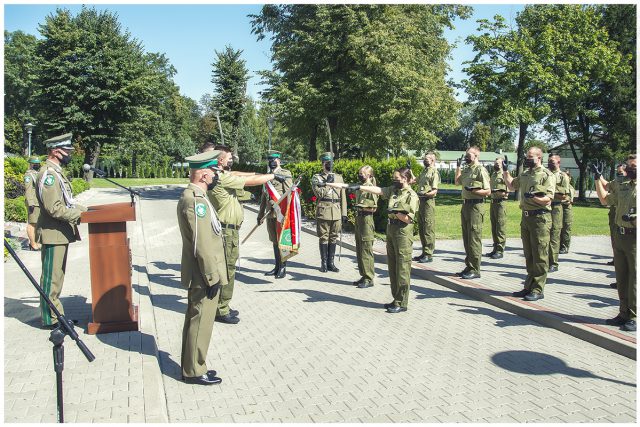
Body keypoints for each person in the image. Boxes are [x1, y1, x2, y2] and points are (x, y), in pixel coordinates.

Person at [203, 145, 288, 324]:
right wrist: (272, 176)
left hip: (227, 230)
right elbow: (248, 181)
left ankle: (222, 305)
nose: (231, 160)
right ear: (220, 160)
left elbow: (240, 174)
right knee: (227, 270)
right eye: (229, 158)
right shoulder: (221, 178)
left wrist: (259, 174)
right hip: (227, 231)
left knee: (227, 268)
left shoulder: (218, 174)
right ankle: (221, 309)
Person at [326, 167, 419, 313]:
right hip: (392, 230)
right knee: (392, 267)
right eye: (394, 178)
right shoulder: (394, 190)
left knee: (402, 268)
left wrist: (395, 212)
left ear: (405, 179)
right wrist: (358, 187)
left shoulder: (411, 195)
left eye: (397, 178)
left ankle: (402, 302)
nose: (394, 181)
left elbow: (408, 219)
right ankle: (396, 298)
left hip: (403, 231)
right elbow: (378, 190)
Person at [177, 150, 225, 385]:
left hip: (202, 269)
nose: (217, 175)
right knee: (201, 319)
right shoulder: (196, 201)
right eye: (214, 172)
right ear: (204, 175)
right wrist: (211, 275)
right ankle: (194, 370)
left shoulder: (196, 197)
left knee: (197, 317)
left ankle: (192, 365)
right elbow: (203, 244)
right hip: (204, 271)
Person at [36, 133, 87, 329]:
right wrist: (78, 216)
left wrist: (86, 211)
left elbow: (68, 201)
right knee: (51, 278)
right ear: (56, 151)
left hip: (59, 233)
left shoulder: (56, 171)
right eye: (67, 151)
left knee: (57, 277)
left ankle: (57, 314)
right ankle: (50, 319)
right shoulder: (48, 174)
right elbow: (54, 208)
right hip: (52, 233)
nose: (69, 154)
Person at [502, 147, 555, 301]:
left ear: (539, 158)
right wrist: (505, 171)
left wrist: (533, 198)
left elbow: (548, 199)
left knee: (540, 255)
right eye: (526, 156)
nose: (527, 159)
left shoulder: (546, 175)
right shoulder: (525, 174)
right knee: (529, 254)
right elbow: (512, 185)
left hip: (540, 218)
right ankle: (528, 286)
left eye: (530, 157)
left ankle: (538, 289)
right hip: (526, 218)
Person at [595, 155, 636, 332]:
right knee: (621, 277)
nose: (629, 169)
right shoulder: (623, 186)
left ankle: (634, 316)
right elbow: (605, 199)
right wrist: (597, 179)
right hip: (620, 235)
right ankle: (623, 313)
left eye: (633, 166)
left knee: (635, 278)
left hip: (635, 238)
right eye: (628, 166)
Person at [454, 146, 491, 279]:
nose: (467, 158)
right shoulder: (466, 170)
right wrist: (458, 167)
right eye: (466, 155)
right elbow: (457, 182)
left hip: (476, 206)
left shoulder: (481, 170)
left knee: (474, 238)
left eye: (469, 155)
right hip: (466, 206)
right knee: (467, 238)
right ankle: (469, 265)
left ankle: (475, 269)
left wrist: (474, 191)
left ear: (476, 156)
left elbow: (487, 191)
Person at [257, 150, 293, 279]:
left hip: (280, 214)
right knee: (274, 241)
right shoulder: (267, 176)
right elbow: (263, 197)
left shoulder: (285, 174)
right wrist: (260, 214)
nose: (272, 162)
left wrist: (286, 213)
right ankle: (277, 266)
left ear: (279, 160)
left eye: (274, 159)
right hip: (269, 214)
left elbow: (289, 193)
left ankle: (283, 267)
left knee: (281, 241)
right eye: (270, 160)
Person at [311, 152, 347, 273]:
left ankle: (331, 263)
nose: (329, 165)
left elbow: (343, 197)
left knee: (333, 237)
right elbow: (319, 194)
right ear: (323, 164)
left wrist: (344, 213)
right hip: (324, 210)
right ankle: (324, 263)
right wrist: (328, 183)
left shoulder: (339, 177)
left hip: (336, 211)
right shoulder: (317, 178)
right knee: (324, 237)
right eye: (327, 163)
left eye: (330, 163)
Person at [352, 165, 379, 288]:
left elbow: (374, 208)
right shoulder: (360, 187)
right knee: (359, 248)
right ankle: (363, 275)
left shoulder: (371, 188)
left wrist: (361, 207)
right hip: (359, 219)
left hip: (367, 220)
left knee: (366, 249)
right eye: (359, 173)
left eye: (362, 173)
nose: (360, 175)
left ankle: (369, 278)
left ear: (368, 175)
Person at [413, 152, 439, 263]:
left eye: (427, 158)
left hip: (428, 201)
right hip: (421, 201)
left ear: (432, 160)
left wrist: (425, 194)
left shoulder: (434, 173)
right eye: (424, 158)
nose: (424, 160)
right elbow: (415, 180)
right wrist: (409, 170)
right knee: (422, 226)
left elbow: (434, 191)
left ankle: (429, 253)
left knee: (428, 227)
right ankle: (424, 251)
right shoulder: (424, 171)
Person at [547, 153, 571, 273]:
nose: (550, 163)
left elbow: (564, 196)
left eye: (552, 161)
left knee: (554, 235)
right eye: (549, 161)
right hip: (545, 206)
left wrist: (548, 192)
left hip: (556, 207)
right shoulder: (546, 174)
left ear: (558, 163)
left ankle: (553, 262)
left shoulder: (562, 176)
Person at [602, 164, 627, 269]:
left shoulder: (629, 183)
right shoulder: (616, 181)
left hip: (623, 213)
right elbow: (607, 185)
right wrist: (599, 176)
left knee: (622, 238)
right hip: (614, 211)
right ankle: (616, 258)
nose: (618, 175)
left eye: (620, 173)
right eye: (617, 172)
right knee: (614, 236)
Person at [486, 157, 508, 259]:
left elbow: (506, 192)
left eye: (498, 163)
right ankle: (495, 248)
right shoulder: (494, 174)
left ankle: (500, 250)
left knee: (500, 227)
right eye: (495, 163)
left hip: (500, 203)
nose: (496, 165)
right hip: (493, 202)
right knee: (494, 226)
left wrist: (496, 191)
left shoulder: (504, 175)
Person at [24, 156, 42, 251]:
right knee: (32, 223)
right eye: (35, 164)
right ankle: (32, 244)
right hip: (33, 203)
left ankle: (36, 242)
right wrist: (30, 202)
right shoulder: (29, 175)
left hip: (38, 202)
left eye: (38, 163)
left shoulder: (37, 173)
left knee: (38, 223)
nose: (37, 165)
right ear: (31, 164)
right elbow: (28, 190)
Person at [558, 172, 575, 255]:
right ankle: (559, 245)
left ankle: (565, 246)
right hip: (560, 208)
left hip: (566, 209)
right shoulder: (561, 187)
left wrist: (558, 198)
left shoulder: (570, 188)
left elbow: (569, 200)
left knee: (566, 228)